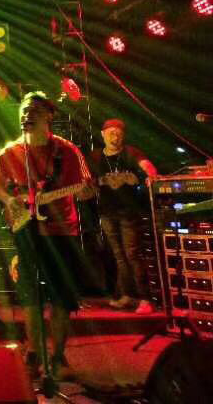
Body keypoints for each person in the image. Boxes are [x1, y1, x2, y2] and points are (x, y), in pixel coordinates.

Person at [0, 92, 95, 380]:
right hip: (27, 230)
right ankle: (34, 352)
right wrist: (8, 200)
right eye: (24, 110)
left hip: (61, 232)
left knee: (62, 298)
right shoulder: (11, 152)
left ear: (49, 115)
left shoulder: (67, 151)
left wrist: (86, 192)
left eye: (34, 109)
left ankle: (59, 356)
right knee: (30, 297)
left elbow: (86, 189)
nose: (27, 114)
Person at [87, 119, 158, 314]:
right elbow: (86, 179)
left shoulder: (130, 152)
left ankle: (145, 299)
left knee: (133, 254)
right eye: (111, 133)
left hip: (129, 212)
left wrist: (151, 174)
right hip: (106, 212)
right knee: (119, 256)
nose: (115, 136)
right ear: (103, 134)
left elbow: (146, 165)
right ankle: (127, 295)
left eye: (118, 133)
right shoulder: (95, 156)